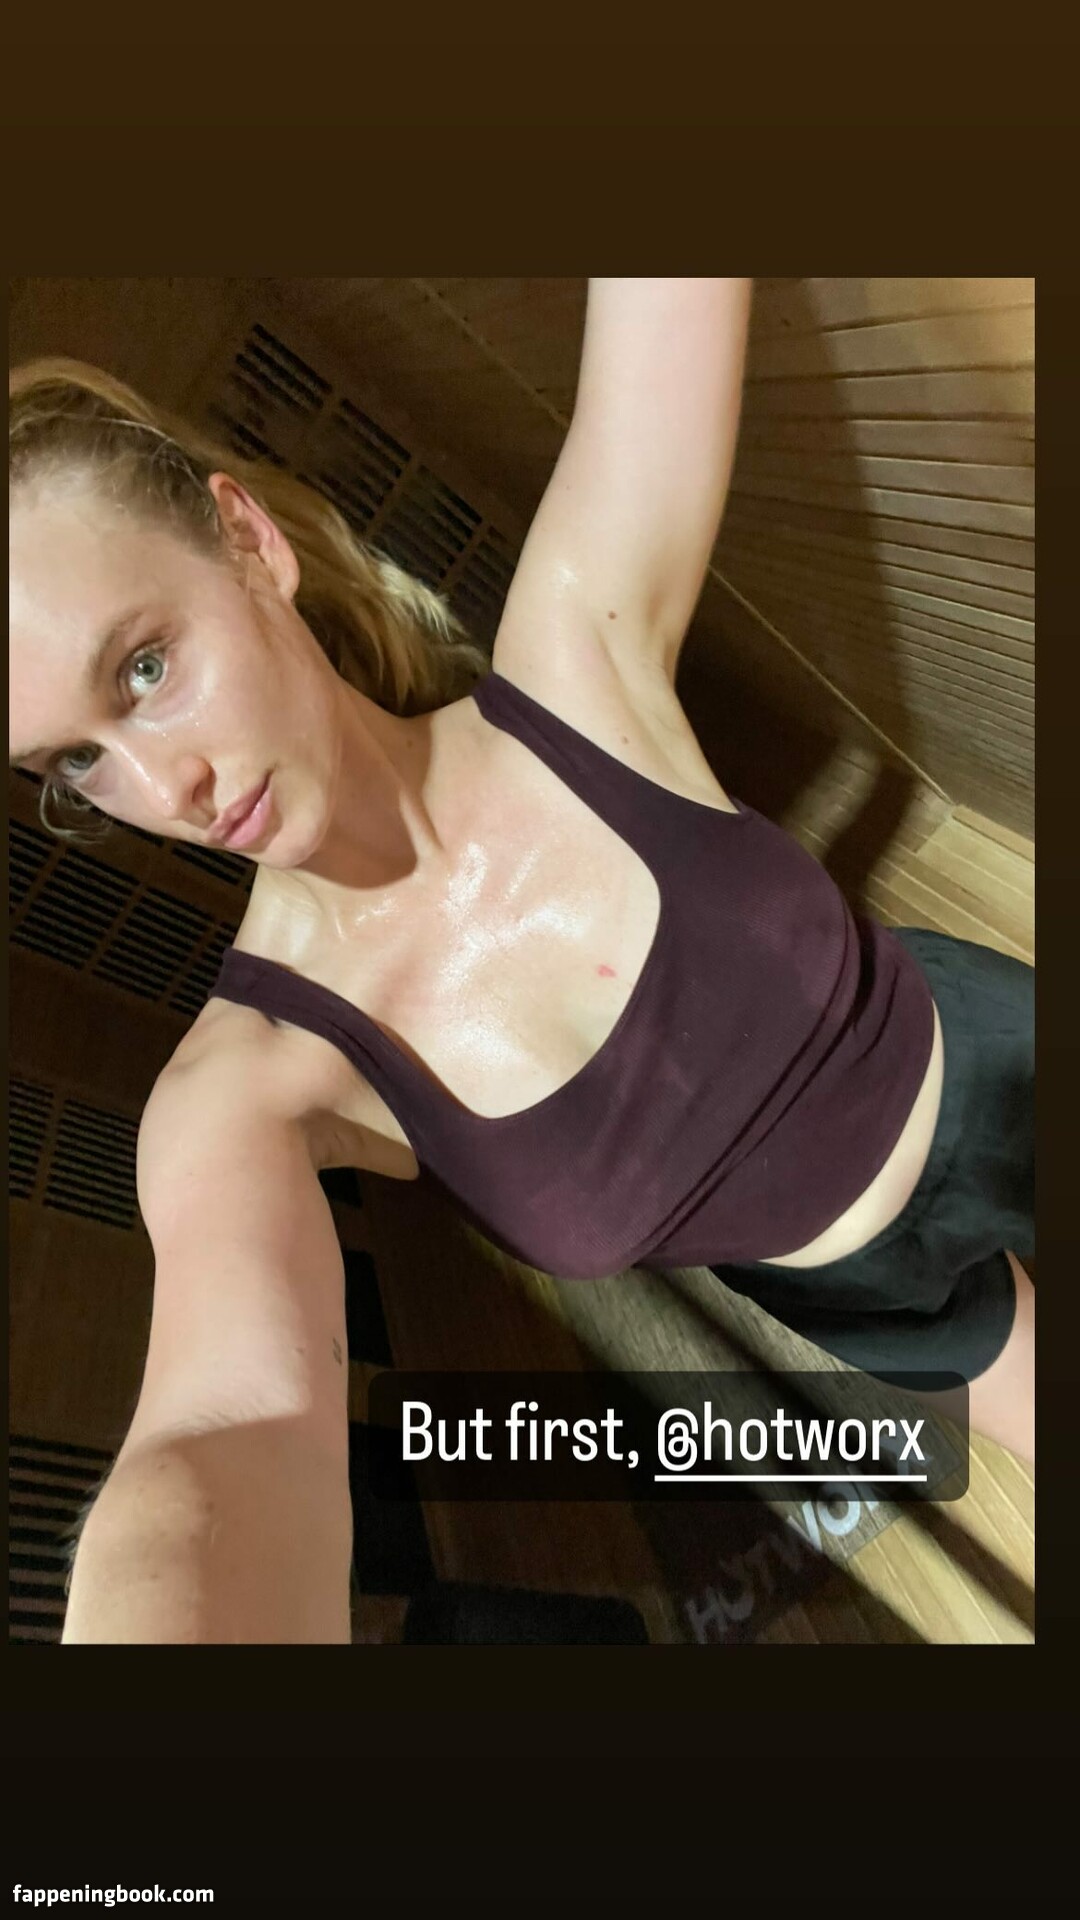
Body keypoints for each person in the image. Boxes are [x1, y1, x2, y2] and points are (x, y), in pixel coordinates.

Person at [9, 280, 1034, 1644]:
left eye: (143, 669)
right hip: (864, 1296)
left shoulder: (575, 662)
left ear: (248, 542)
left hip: (1006, 1075)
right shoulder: (248, 1086)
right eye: (76, 762)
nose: (162, 788)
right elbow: (226, 1427)